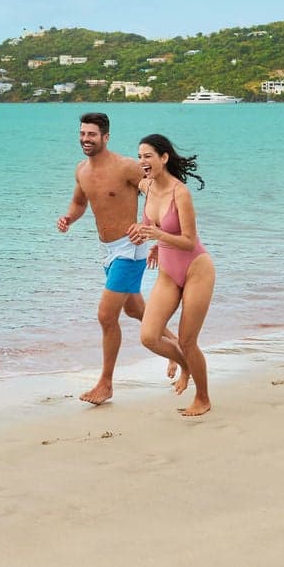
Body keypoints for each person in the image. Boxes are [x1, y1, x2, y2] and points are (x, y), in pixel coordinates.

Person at [56, 112, 180, 405]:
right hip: (107, 251)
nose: (86, 139)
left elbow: (160, 194)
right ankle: (176, 344)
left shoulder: (126, 167)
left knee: (106, 315)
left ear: (106, 137)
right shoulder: (81, 170)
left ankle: (106, 384)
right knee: (135, 310)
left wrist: (150, 229)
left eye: (92, 134)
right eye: (82, 134)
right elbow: (79, 202)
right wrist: (69, 218)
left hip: (130, 248)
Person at [130, 133, 216, 417]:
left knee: (188, 340)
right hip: (168, 272)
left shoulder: (181, 193)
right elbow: (155, 226)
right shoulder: (146, 186)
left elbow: (189, 241)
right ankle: (185, 364)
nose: (142, 161)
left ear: (164, 158)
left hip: (196, 270)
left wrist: (157, 235)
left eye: (148, 156)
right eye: (140, 156)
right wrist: (153, 243)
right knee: (149, 336)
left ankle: (202, 398)